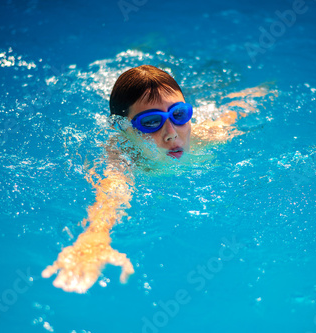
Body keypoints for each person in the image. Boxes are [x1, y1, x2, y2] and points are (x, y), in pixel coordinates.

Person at [42, 65, 275, 293]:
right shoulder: (122, 155)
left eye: (179, 114)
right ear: (123, 128)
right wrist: (95, 236)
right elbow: (113, 191)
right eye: (151, 122)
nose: (171, 132)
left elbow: (240, 108)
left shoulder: (209, 135)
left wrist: (266, 88)